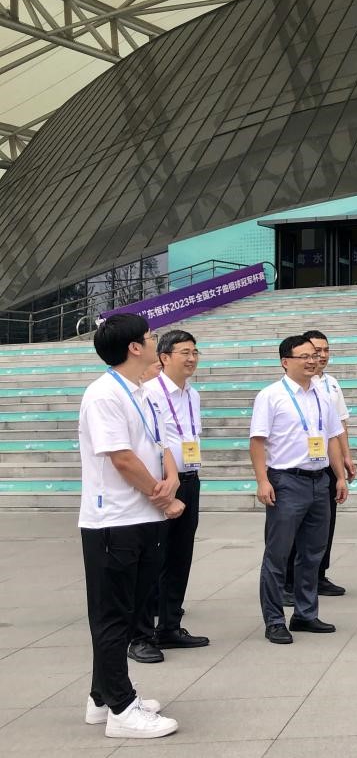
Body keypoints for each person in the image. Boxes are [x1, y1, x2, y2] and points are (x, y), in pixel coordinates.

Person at [78, 313, 182, 739]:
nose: (156, 342)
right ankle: (122, 709)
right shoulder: (103, 394)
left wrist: (172, 478)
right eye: (150, 337)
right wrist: (164, 496)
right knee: (112, 617)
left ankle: (101, 697)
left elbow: (162, 442)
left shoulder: (143, 391)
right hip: (114, 521)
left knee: (132, 610)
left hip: (144, 516)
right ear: (134, 347)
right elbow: (121, 458)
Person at [250, 335, 349, 644]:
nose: (312, 361)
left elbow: (332, 438)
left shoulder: (322, 394)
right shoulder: (271, 396)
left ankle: (305, 614)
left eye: (314, 356)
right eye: (304, 356)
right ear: (285, 362)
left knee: (312, 553)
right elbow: (257, 441)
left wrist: (339, 476)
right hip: (286, 481)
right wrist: (262, 480)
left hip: (319, 480)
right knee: (278, 554)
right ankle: (274, 620)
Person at [135, 330, 211, 655]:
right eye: (185, 352)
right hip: (162, 483)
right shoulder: (148, 393)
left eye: (195, 352)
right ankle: (141, 635)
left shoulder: (193, 395)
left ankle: (169, 626)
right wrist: (164, 486)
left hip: (190, 480)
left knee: (181, 556)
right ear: (164, 357)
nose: (192, 358)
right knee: (152, 559)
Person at [283, 329, 354, 604]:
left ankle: (318, 574)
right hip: (299, 466)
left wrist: (346, 458)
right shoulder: (292, 388)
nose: (320, 357)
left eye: (325, 351)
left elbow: (340, 424)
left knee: (325, 523)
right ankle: (289, 580)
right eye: (314, 352)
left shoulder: (331, 384)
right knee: (296, 526)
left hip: (326, 461)